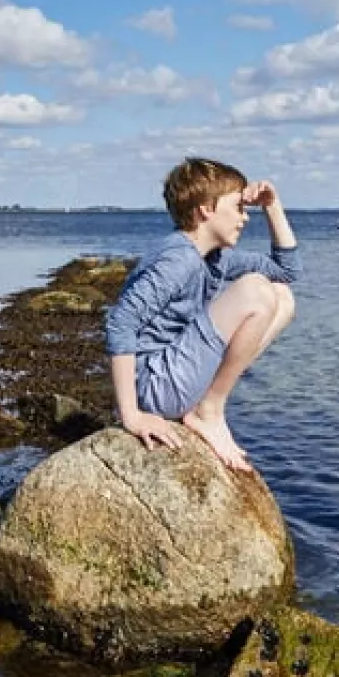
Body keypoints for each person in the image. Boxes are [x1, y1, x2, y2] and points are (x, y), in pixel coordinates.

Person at [105, 157, 301, 472]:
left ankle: (206, 406)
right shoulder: (178, 259)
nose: (244, 218)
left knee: (282, 297)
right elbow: (120, 323)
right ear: (206, 210)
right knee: (256, 290)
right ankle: (208, 411)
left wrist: (272, 206)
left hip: (175, 374)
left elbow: (287, 271)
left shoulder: (214, 258)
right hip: (156, 384)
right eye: (238, 207)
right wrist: (131, 415)